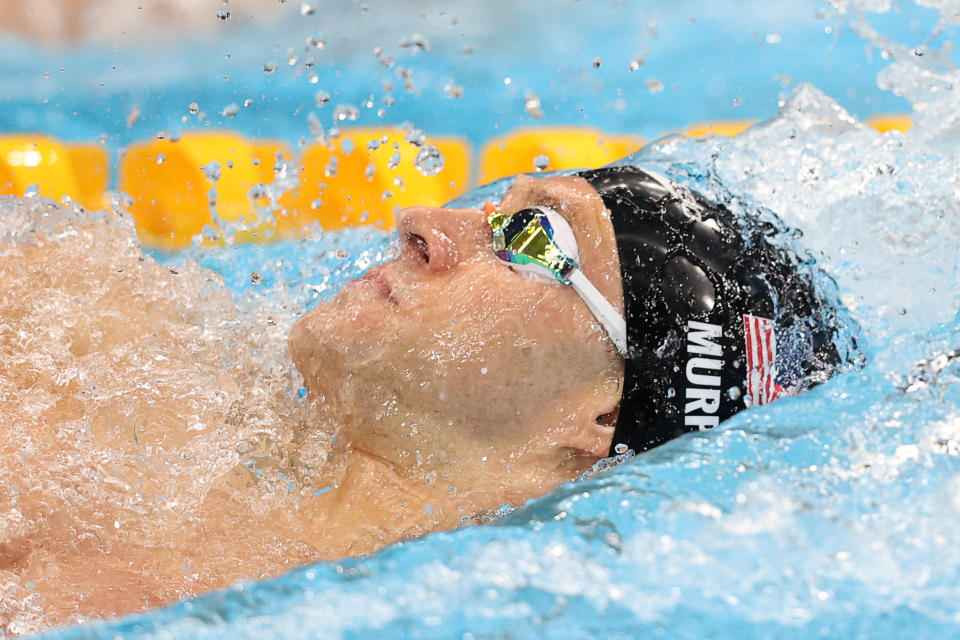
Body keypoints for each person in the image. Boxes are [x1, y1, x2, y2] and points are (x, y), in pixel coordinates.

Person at [0, 166, 852, 629]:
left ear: (598, 419)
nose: (426, 221)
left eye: (532, 238)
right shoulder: (97, 323)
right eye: (496, 204)